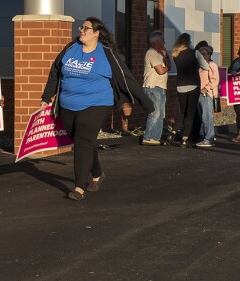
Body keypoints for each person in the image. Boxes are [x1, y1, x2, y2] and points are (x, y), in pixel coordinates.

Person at [41, 17, 154, 201]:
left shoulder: (106, 54)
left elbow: (127, 78)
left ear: (96, 32)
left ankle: (79, 187)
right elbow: (55, 70)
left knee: (83, 141)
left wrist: (146, 103)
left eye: (86, 28)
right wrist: (47, 97)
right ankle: (97, 173)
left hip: (97, 103)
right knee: (80, 139)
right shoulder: (71, 49)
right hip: (68, 104)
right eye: (81, 27)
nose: (82, 31)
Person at [170, 33, 210, 147]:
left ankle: (173, 132)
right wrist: (196, 65)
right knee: (190, 113)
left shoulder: (175, 54)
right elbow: (206, 67)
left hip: (180, 86)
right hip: (193, 85)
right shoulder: (195, 53)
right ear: (188, 42)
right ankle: (184, 138)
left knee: (182, 111)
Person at [142, 30, 171, 145]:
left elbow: (169, 66)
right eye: (163, 40)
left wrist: (166, 56)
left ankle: (156, 137)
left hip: (161, 87)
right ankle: (148, 137)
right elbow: (160, 71)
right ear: (157, 41)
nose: (164, 42)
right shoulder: (151, 53)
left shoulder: (159, 54)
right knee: (155, 112)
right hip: (153, 87)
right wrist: (166, 68)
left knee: (161, 114)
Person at [195, 45, 219, 148]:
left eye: (205, 53)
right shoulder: (200, 66)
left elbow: (215, 80)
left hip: (206, 94)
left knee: (207, 117)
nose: (203, 56)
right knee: (202, 116)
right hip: (199, 94)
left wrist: (206, 88)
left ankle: (209, 138)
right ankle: (204, 135)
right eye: (201, 54)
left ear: (210, 54)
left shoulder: (211, 65)